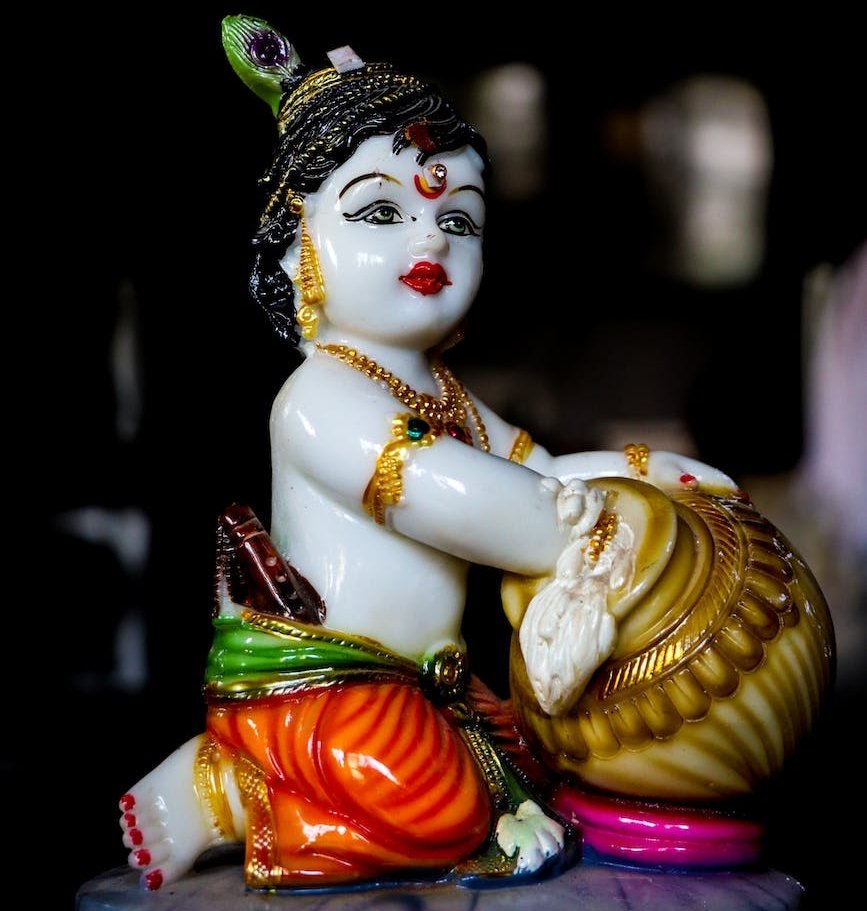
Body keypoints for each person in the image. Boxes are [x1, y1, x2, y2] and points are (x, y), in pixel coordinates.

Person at [118, 15, 812, 893]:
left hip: (429, 690)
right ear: (296, 250)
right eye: (381, 212)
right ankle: (227, 788)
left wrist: (644, 471)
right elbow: (475, 503)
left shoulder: (434, 387)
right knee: (448, 810)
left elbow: (533, 471)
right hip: (332, 689)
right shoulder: (320, 399)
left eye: (458, 216)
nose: (430, 239)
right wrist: (596, 525)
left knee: (531, 770)